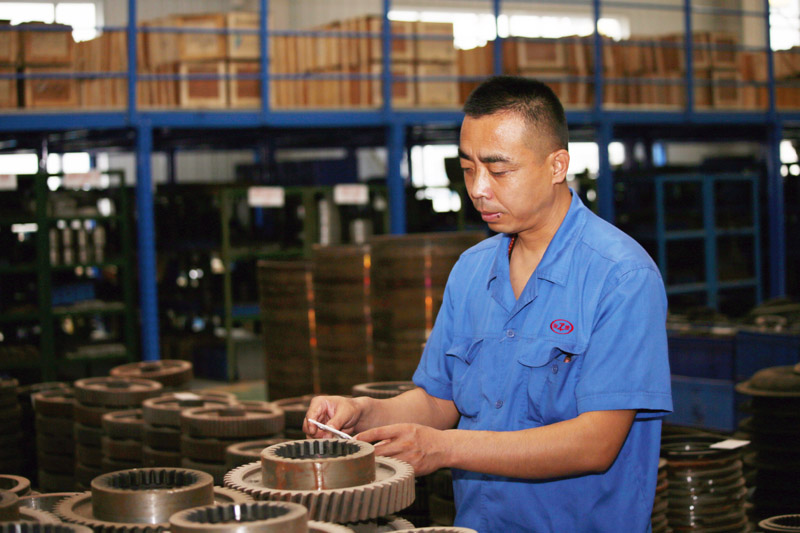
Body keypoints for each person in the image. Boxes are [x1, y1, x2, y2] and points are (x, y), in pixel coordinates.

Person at [303, 75, 673, 532]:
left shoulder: (621, 277)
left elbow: (596, 443)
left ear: (557, 165)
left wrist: (445, 448)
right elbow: (440, 401)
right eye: (467, 168)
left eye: (498, 171)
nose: (478, 188)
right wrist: (363, 412)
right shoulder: (472, 271)